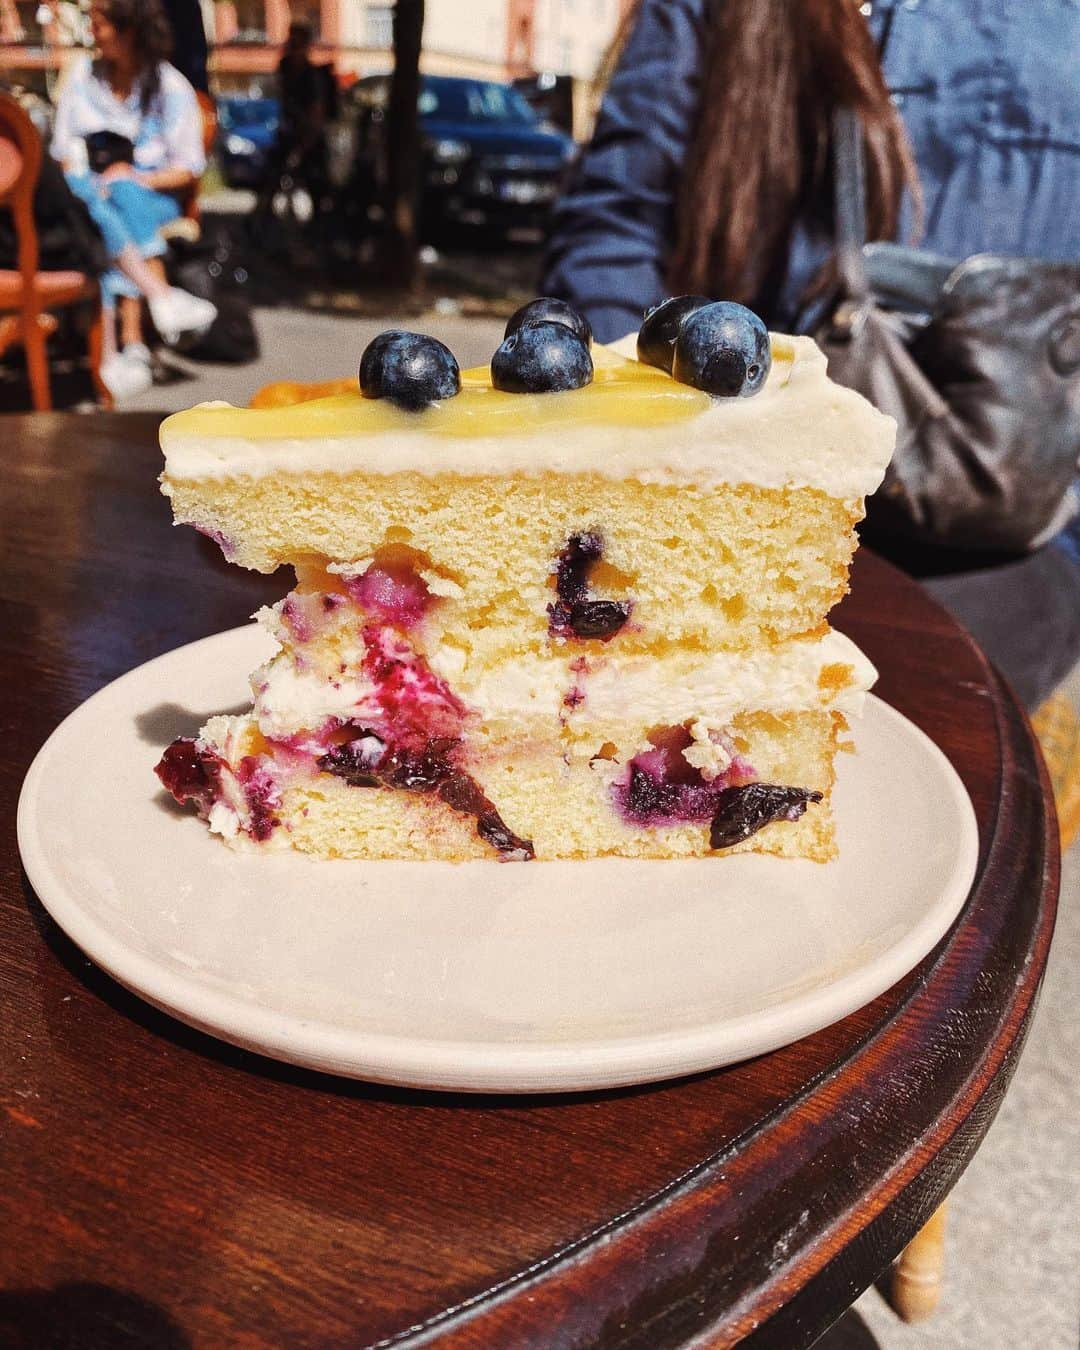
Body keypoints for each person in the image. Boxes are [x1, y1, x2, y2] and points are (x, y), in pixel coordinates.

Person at [543, 0, 1080, 708]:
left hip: (1000, 536)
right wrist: (626, 459)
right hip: (744, 497)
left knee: (934, 744)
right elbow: (619, 225)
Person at [51, 0, 217, 400]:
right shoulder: (81, 79)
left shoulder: (169, 86)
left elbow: (189, 167)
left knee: (118, 198)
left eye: (100, 23)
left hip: (153, 196)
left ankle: (116, 347)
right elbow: (61, 151)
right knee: (100, 201)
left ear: (130, 29)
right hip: (91, 196)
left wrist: (136, 176)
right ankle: (154, 309)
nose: (93, 32)